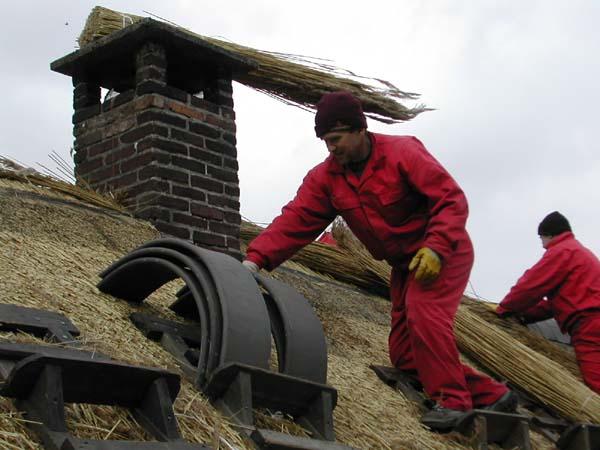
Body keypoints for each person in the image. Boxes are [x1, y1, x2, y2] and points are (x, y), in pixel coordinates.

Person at [243, 91, 515, 428]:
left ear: (359, 129)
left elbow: (450, 198)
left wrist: (437, 246)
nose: (331, 148)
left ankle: (454, 402)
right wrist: (254, 260)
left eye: (336, 139)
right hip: (405, 265)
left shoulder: (402, 153)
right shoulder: (327, 179)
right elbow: (296, 219)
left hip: (443, 251)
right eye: (325, 141)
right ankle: (491, 394)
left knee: (425, 315)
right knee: (404, 354)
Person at [497, 211, 600, 394]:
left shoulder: (562, 251)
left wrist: (504, 308)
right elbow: (556, 305)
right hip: (592, 318)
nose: (543, 247)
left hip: (589, 325)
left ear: (548, 235)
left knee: (596, 380)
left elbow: (531, 286)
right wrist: (525, 315)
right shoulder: (580, 252)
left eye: (541, 239)